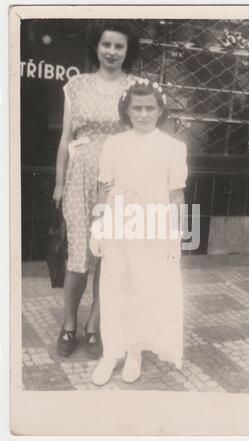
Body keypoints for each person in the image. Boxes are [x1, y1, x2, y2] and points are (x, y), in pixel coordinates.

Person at [90, 78, 188, 385]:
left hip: (153, 229)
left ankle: (134, 353)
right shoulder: (114, 144)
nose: (143, 114)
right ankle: (111, 354)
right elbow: (103, 190)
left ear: (160, 110)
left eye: (150, 108)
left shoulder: (173, 148)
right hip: (119, 227)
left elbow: (176, 196)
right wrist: (98, 228)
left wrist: (178, 236)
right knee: (113, 289)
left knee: (143, 291)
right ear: (127, 110)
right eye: (137, 108)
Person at [52, 20, 140, 358]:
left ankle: (95, 325)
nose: (112, 52)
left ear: (127, 51)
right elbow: (65, 139)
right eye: (107, 45)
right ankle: (69, 323)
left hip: (120, 178)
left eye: (119, 46)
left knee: (110, 255)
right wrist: (59, 182)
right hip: (80, 177)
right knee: (78, 257)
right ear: (97, 47)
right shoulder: (76, 85)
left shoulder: (136, 87)